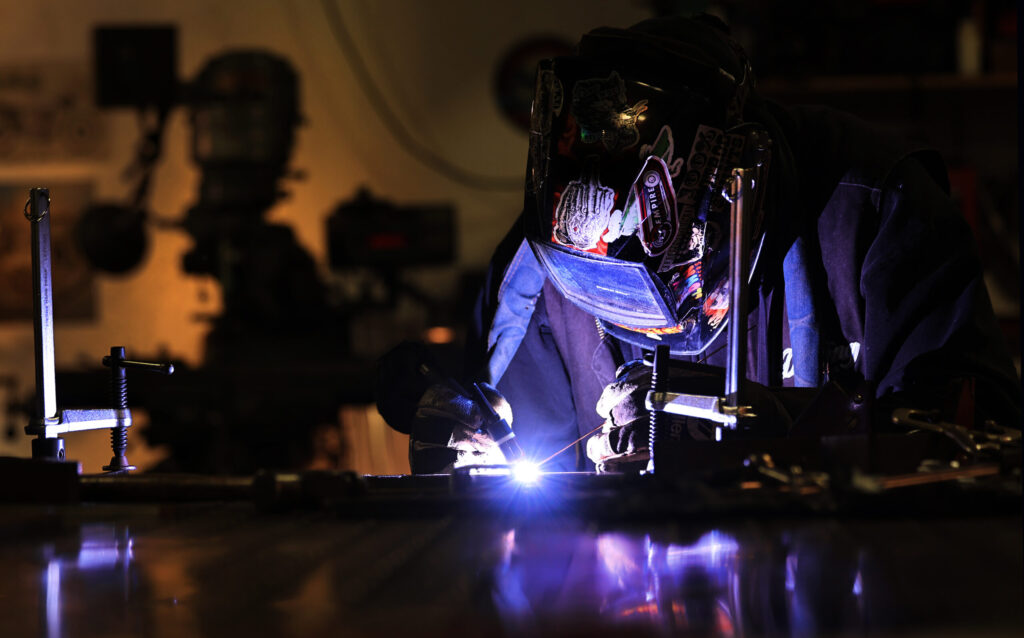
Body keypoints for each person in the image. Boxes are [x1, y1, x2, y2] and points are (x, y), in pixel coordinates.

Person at [389, 14, 1020, 474]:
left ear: (737, 187)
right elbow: (517, 502)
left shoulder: (873, 212)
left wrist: (781, 433)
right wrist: (469, 444)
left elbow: (978, 446)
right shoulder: (543, 268)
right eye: (596, 290)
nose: (619, 314)